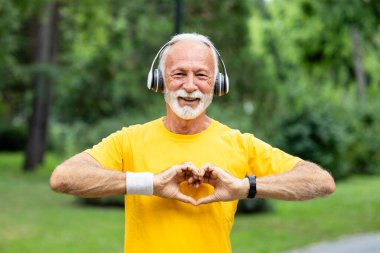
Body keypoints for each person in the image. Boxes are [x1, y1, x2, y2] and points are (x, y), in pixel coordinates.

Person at [50, 33, 335, 253]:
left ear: (217, 84)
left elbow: (320, 181)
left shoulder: (239, 144)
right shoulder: (130, 140)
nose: (189, 85)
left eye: (201, 75)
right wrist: (151, 184)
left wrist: (244, 187)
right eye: (179, 74)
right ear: (159, 81)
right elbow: (64, 177)